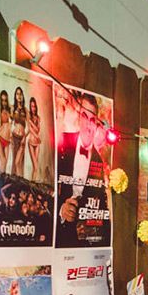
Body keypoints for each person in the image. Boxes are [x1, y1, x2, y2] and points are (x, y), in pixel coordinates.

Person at [56, 92, 109, 248]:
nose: (88, 124)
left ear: (97, 125)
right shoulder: (61, 145)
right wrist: (61, 210)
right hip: (58, 236)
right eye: (85, 116)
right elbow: (45, 187)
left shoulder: (100, 161)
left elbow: (102, 204)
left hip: (85, 243)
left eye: (93, 120)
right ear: (78, 118)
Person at [11, 86, 27, 176]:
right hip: (14, 136)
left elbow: (29, 126)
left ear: (22, 95)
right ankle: (14, 183)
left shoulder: (26, 110)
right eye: (17, 93)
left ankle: (21, 183)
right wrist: (10, 137)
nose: (19, 95)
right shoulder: (13, 108)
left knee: (20, 162)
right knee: (15, 161)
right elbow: (10, 123)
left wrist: (25, 137)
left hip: (22, 138)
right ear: (15, 95)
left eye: (20, 93)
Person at [27, 97, 41, 181]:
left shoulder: (38, 118)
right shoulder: (28, 116)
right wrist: (31, 123)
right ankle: (33, 183)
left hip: (37, 143)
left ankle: (33, 182)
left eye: (34, 106)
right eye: (32, 106)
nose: (33, 108)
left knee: (35, 167)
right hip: (31, 142)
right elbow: (31, 130)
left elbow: (37, 129)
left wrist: (31, 123)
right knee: (35, 166)